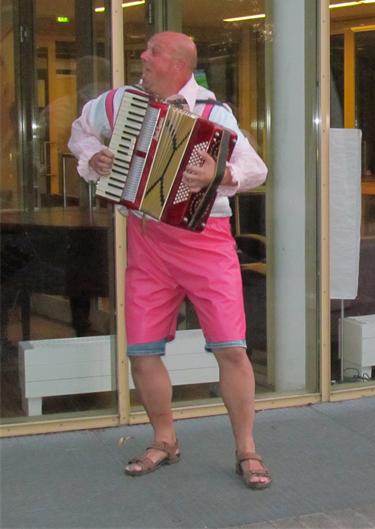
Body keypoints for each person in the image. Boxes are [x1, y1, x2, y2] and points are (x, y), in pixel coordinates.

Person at [68, 31, 271, 489]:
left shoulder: (214, 113)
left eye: (153, 52)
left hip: (206, 240)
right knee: (141, 353)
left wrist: (219, 173)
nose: (143, 56)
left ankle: (247, 449)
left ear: (179, 64)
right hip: (146, 239)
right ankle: (165, 440)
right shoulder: (119, 102)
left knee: (231, 350)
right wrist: (94, 157)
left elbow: (256, 169)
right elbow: (80, 133)